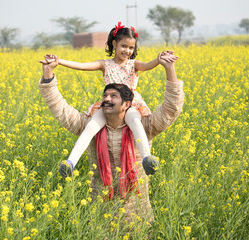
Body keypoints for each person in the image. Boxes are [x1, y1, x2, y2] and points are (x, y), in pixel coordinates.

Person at [38, 50, 184, 227]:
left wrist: (169, 68)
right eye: (105, 96)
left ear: (127, 104)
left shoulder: (145, 126)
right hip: (102, 215)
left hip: (137, 216)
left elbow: (171, 108)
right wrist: (48, 74)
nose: (106, 99)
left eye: (113, 96)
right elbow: (60, 109)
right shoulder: (89, 124)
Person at [47, 22, 179, 176]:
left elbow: (150, 65)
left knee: (136, 123)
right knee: (91, 126)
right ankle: (70, 163)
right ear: (114, 44)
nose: (127, 51)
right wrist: (59, 62)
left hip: (130, 105)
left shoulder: (134, 64)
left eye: (131, 48)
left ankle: (147, 159)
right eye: (124, 46)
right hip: (109, 104)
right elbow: (82, 66)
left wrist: (161, 58)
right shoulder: (105, 65)